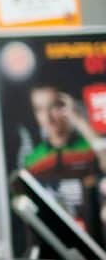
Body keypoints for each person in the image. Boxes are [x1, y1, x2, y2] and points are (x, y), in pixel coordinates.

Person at [24, 86, 106, 243]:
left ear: (64, 107)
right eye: (39, 110)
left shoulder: (88, 147)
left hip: (92, 243)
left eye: (53, 107)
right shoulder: (34, 159)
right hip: (54, 243)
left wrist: (78, 119)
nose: (48, 118)